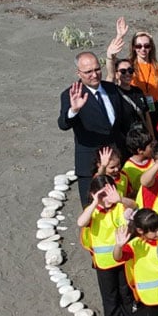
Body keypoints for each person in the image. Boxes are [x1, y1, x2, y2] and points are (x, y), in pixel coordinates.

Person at [57, 51, 135, 202]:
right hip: (90, 162)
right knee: (92, 211)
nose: (94, 75)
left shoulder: (112, 89)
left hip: (117, 161)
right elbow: (63, 124)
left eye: (97, 69)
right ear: (78, 73)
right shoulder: (71, 94)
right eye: (88, 72)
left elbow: (123, 122)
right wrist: (74, 111)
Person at [77, 168, 139, 316]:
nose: (106, 198)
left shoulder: (120, 207)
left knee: (126, 294)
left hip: (122, 259)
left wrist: (119, 199)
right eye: (102, 194)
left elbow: (134, 206)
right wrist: (95, 202)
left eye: (109, 192)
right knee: (110, 296)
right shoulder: (92, 211)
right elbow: (81, 222)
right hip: (104, 263)